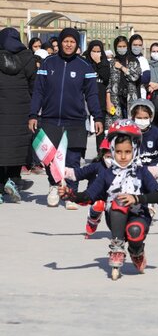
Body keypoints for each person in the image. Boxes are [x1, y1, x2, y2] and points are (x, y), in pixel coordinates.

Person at [59, 119, 158, 280]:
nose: (123, 156)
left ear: (135, 151)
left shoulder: (142, 172)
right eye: (118, 152)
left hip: (140, 216)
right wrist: (70, 194)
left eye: (127, 152)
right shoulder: (106, 174)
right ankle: (117, 247)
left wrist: (137, 198)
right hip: (116, 217)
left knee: (135, 231)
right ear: (111, 150)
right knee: (118, 200)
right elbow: (89, 196)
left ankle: (136, 251)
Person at [28, 28, 104, 209]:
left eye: (72, 41)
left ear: (77, 44)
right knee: (49, 157)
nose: (68, 44)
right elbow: (38, 91)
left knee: (72, 159)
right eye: (65, 41)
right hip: (50, 118)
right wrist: (33, 114)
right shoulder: (48, 63)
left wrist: (97, 116)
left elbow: (92, 94)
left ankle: (70, 192)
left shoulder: (85, 66)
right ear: (60, 42)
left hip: (76, 120)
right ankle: (54, 186)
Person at [0, 28, 37, 204]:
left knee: (1, 147)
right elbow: (34, 84)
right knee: (17, 147)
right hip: (21, 110)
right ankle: (13, 180)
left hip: (2, 110)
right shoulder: (28, 57)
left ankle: (0, 188)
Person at [64, 138, 111, 238]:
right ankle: (92, 220)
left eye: (114, 152)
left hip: (114, 200)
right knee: (99, 205)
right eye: (107, 153)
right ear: (102, 153)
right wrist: (63, 171)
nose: (110, 156)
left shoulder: (124, 169)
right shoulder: (95, 166)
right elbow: (78, 173)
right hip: (95, 197)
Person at [128, 99, 158, 177]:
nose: (142, 120)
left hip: (154, 166)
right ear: (133, 117)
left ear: (151, 117)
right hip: (135, 167)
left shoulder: (157, 133)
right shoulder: (129, 133)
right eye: (139, 118)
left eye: (145, 118)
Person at [106, 36, 141, 128]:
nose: (122, 49)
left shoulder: (133, 60)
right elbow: (109, 83)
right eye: (119, 46)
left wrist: (122, 67)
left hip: (130, 98)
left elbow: (135, 76)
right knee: (117, 127)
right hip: (116, 99)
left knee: (131, 126)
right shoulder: (112, 62)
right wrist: (108, 101)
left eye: (124, 46)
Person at [83, 40, 110, 153]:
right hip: (86, 100)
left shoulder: (104, 63)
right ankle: (81, 154)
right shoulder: (85, 63)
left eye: (98, 51)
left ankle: (100, 154)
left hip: (100, 100)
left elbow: (106, 78)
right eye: (93, 51)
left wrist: (99, 62)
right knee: (84, 129)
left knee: (100, 129)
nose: (96, 53)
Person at [129, 34, 150, 98]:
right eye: (135, 45)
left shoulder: (143, 60)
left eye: (140, 45)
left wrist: (130, 76)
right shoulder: (126, 58)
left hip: (140, 94)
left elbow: (146, 78)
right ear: (130, 45)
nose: (137, 47)